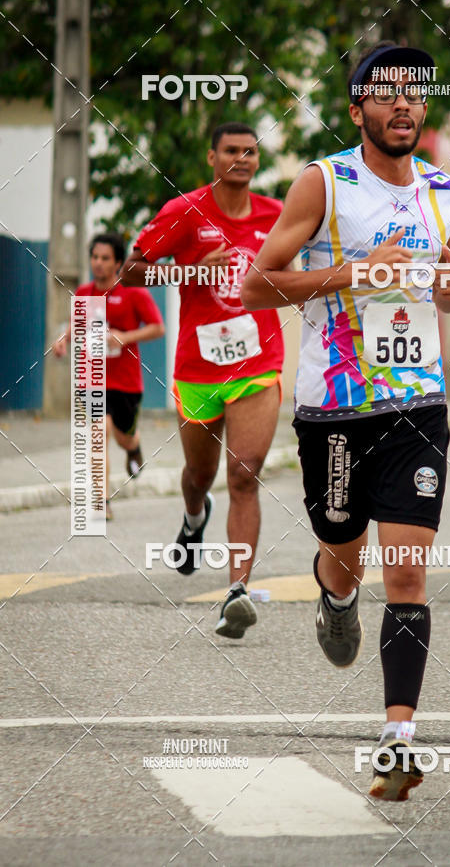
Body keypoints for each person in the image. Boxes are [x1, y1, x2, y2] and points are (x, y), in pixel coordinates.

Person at [241, 43, 450, 800]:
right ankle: (336, 597)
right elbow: (256, 287)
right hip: (335, 410)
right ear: (358, 111)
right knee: (342, 550)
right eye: (385, 94)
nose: (402, 103)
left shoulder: (446, 190)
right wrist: (348, 272)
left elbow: (443, 282)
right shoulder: (324, 183)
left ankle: (398, 738)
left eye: (413, 93)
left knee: (407, 569)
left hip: (418, 404)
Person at [119, 122, 285, 639]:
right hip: (197, 366)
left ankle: (236, 592)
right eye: (231, 151)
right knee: (200, 473)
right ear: (212, 157)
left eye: (250, 152)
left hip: (257, 361)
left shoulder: (274, 216)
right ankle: (195, 517)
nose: (241, 159)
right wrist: (191, 272)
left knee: (244, 472)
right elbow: (131, 272)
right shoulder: (185, 212)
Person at [52, 232, 165, 520]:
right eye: (94, 257)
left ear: (117, 263)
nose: (98, 264)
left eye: (105, 258)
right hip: (94, 378)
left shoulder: (133, 292)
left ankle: (134, 446)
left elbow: (157, 328)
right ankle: (102, 501)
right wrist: (63, 340)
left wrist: (125, 337)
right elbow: (75, 323)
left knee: (122, 437)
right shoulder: (85, 293)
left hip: (126, 382)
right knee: (98, 431)